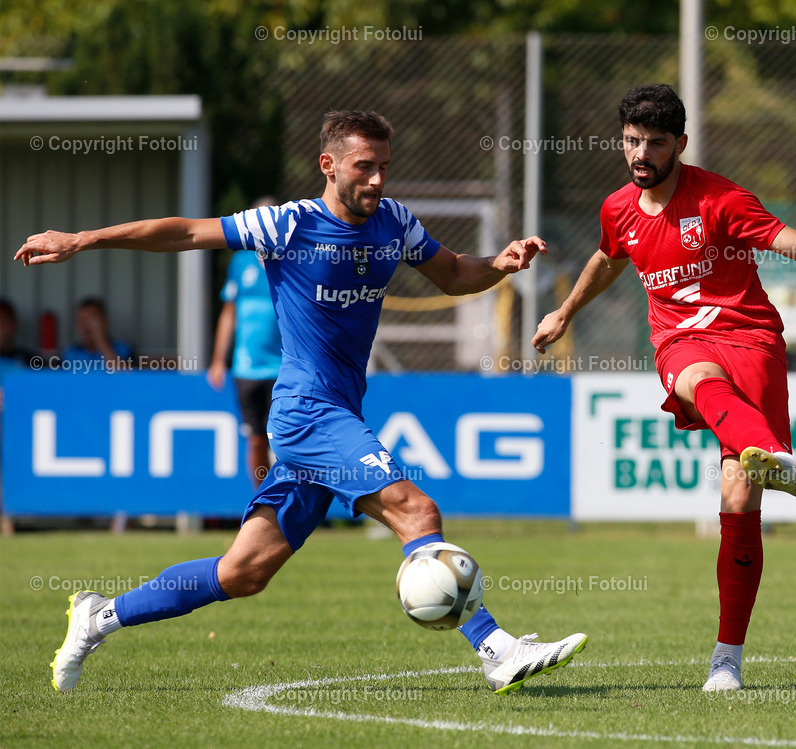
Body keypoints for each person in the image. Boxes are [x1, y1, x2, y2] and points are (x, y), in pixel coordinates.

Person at [18, 109, 587, 694]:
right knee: (417, 511)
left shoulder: (394, 222)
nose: (377, 180)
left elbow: (451, 273)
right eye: (364, 166)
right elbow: (188, 232)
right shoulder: (287, 224)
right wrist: (83, 238)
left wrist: (500, 264)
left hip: (336, 414)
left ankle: (99, 616)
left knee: (243, 573)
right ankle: (496, 648)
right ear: (329, 164)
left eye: (385, 167)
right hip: (307, 413)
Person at [533, 84, 796, 692]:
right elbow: (608, 258)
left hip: (752, 341)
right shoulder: (617, 207)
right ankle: (772, 455)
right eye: (631, 142)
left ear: (681, 145)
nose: (641, 154)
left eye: (655, 144)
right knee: (697, 379)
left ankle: (727, 657)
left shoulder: (720, 199)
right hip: (682, 343)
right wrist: (565, 312)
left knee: (739, 499)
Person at [207, 197, 283, 488]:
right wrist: (218, 360)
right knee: (255, 440)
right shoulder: (240, 262)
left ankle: (297, 505)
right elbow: (229, 314)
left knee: (288, 441)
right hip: (247, 368)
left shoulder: (290, 259)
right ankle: (262, 500)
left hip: (283, 367)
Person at [62, 297, 134, 370]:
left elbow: (124, 375)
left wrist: (99, 338)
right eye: (81, 320)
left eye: (91, 319)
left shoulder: (122, 348)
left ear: (105, 321)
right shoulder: (71, 352)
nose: (86, 325)